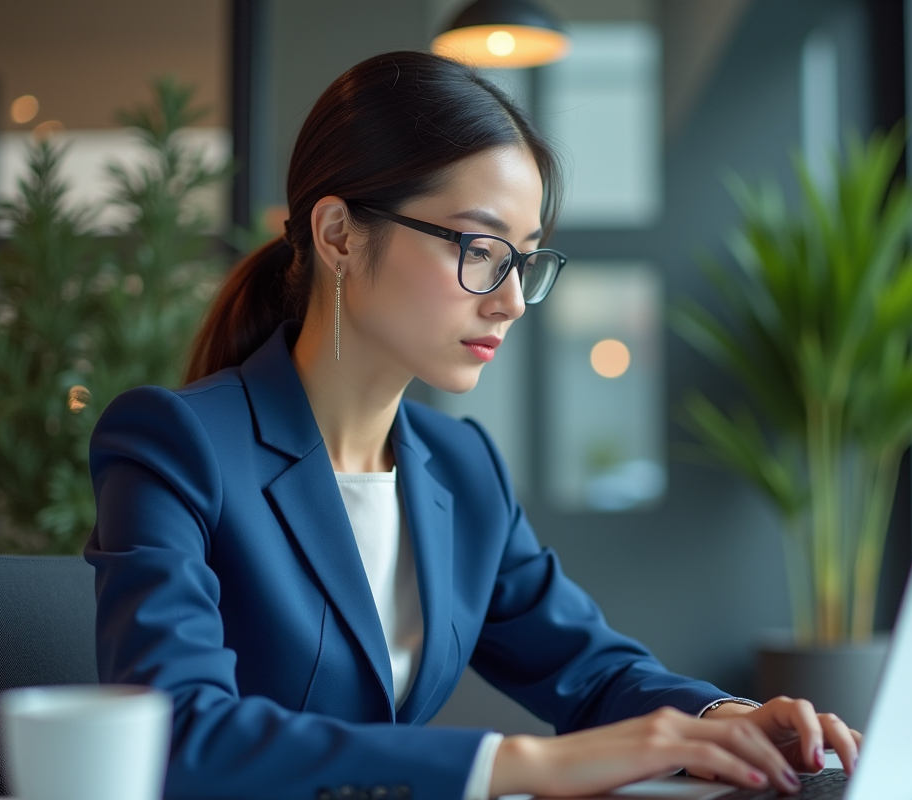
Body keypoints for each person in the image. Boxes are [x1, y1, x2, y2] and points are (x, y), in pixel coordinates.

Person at [85, 51, 860, 800]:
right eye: (481, 248)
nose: (511, 300)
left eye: (524, 260)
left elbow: (590, 670)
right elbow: (177, 734)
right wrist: (517, 766)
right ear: (339, 236)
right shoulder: (175, 444)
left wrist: (727, 721)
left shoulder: (460, 465)